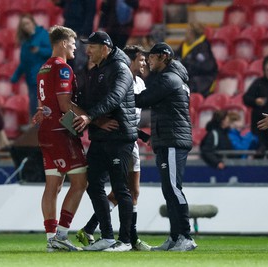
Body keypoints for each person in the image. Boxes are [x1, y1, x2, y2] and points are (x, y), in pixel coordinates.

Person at [75, 45, 151, 251]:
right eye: (141, 60)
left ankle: (126, 237)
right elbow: (114, 104)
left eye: (145, 60)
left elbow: (128, 113)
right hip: (120, 137)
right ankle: (115, 235)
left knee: (130, 190)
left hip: (128, 137)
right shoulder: (115, 75)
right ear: (131, 60)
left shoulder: (140, 83)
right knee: (124, 189)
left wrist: (143, 135)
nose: (144, 63)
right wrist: (96, 120)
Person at [135, 42, 197, 251]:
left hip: (172, 139)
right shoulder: (173, 78)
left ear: (163, 56)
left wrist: (121, 95)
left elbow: (143, 99)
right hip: (168, 138)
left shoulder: (168, 79)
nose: (149, 61)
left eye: (151, 57)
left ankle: (186, 237)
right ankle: (175, 236)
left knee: (173, 188)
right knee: (169, 189)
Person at [32, 25, 88, 252]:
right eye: (73, 43)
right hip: (60, 133)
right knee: (80, 182)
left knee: (53, 185)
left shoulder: (42, 69)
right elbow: (65, 105)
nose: (75, 48)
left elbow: (43, 104)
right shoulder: (63, 68)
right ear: (64, 43)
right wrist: (87, 116)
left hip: (45, 131)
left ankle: (51, 238)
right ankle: (62, 234)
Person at [10, 14, 52, 118]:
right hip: (31, 80)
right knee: (34, 106)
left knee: (45, 107)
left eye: (27, 23)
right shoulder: (25, 42)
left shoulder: (43, 34)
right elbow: (23, 63)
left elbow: (52, 52)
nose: (26, 27)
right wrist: (15, 77)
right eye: (23, 25)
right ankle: (36, 130)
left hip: (44, 78)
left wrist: (39, 50)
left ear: (33, 22)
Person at [243, 55, 268, 157]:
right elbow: (246, 98)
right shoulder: (258, 83)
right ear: (264, 71)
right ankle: (262, 147)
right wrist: (256, 101)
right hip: (261, 122)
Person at [51, 0, 96, 72]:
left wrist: (83, 32)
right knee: (68, 58)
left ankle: (79, 79)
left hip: (80, 32)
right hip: (69, 29)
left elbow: (90, 14)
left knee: (80, 62)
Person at [175, 22, 218, 97]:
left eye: (187, 32)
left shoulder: (203, 47)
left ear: (192, 34)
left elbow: (206, 67)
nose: (185, 34)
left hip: (202, 81)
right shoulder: (184, 45)